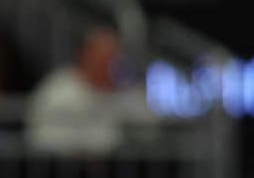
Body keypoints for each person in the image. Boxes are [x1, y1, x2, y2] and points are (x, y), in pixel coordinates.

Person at [24, 29, 157, 156]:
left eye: (114, 60)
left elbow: (149, 130)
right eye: (104, 60)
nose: (110, 67)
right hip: (65, 170)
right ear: (87, 57)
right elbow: (43, 140)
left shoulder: (124, 91)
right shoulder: (60, 91)